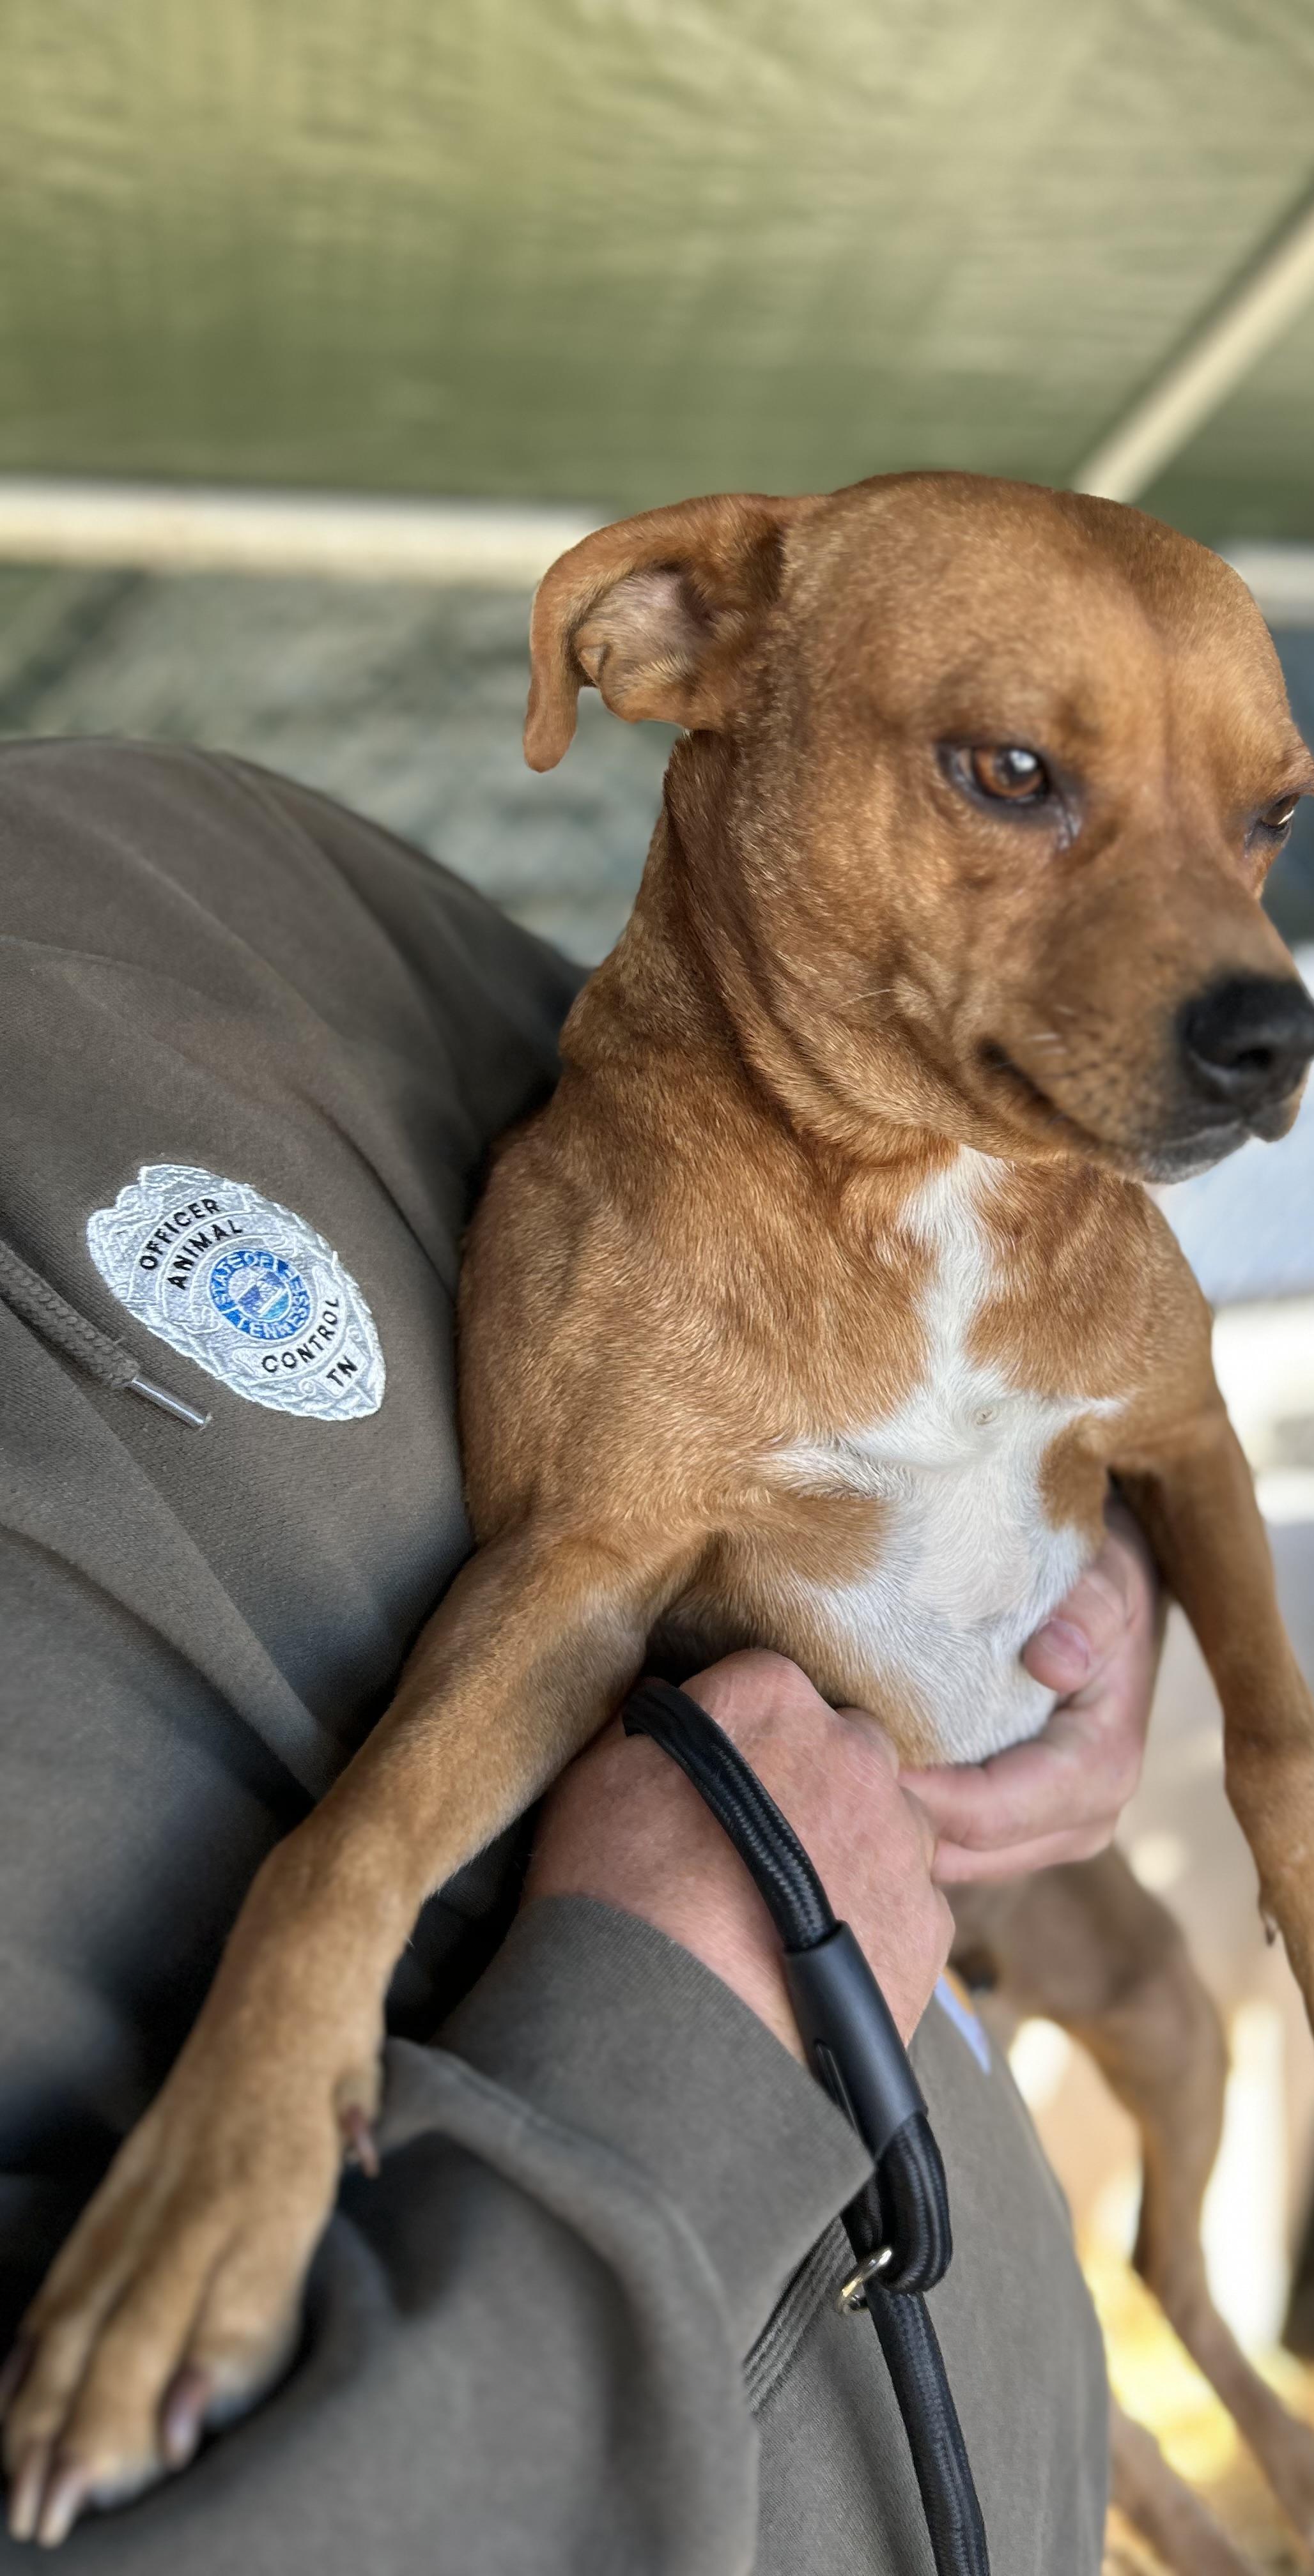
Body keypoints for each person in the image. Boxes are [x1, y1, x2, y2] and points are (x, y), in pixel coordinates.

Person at [0, 740, 1163, 2572]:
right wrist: (679, 2004)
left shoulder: (146, 850)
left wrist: (1049, 1548)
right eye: (1010, 778)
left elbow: (788, 1157)